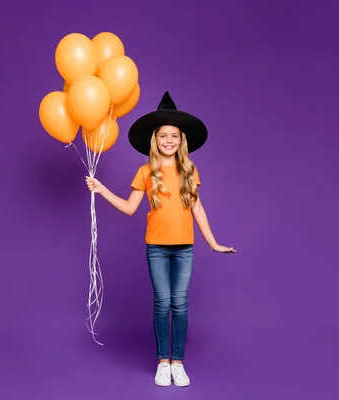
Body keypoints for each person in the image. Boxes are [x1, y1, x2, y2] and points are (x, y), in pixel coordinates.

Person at [85, 91, 236, 387]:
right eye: (164, 135)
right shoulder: (145, 171)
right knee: (162, 302)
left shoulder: (189, 170)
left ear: (182, 141)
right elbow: (130, 208)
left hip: (184, 248)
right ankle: (162, 362)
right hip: (156, 248)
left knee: (180, 303)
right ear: (155, 139)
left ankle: (177, 362)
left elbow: (198, 208)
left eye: (175, 136)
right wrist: (101, 190)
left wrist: (213, 243)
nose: (169, 140)